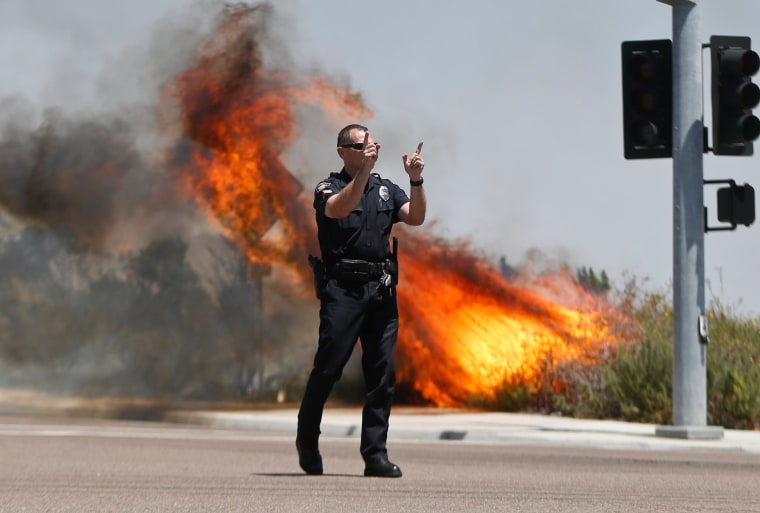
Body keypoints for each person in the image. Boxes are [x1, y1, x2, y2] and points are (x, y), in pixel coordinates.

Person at [296, 123, 426, 478]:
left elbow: (415, 217)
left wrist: (415, 181)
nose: (368, 149)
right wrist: (364, 171)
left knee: (382, 374)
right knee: (328, 368)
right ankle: (307, 441)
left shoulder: (386, 189)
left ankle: (375, 455)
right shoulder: (329, 187)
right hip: (343, 292)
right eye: (360, 145)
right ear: (342, 151)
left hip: (381, 292)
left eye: (371, 144)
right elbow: (338, 209)